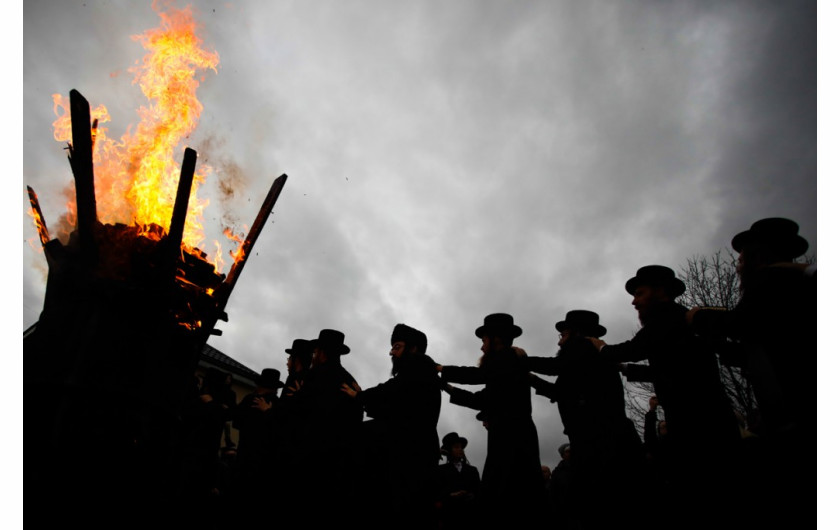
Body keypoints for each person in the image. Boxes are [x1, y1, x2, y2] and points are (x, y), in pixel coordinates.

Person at [590, 266, 741, 527]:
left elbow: (634, 349)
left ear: (660, 292)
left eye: (639, 293)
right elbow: (668, 369)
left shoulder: (666, 316)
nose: (634, 301)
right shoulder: (675, 324)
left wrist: (602, 349)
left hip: (698, 422)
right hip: (706, 418)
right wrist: (626, 369)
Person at [686, 218, 814, 525]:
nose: (738, 266)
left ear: (757, 257)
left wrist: (698, 318)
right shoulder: (793, 286)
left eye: (742, 259)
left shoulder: (775, 281)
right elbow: (755, 348)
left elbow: (741, 323)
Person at [525, 310, 641, 529]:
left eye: (563, 335)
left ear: (576, 334)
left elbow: (553, 367)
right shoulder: (581, 361)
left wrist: (522, 360)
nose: (559, 343)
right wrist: (531, 378)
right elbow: (559, 392)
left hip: (600, 442)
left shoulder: (583, 348)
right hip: (602, 440)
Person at [438, 313, 544, 524]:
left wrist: (440, 369)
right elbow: (481, 399)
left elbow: (476, 376)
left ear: (495, 339)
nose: (481, 347)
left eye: (484, 341)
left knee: (506, 498)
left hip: (512, 441)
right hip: (510, 439)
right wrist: (447, 388)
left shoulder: (506, 359)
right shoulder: (504, 370)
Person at [341, 323, 441, 526]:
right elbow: (396, 409)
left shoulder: (418, 366)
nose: (391, 352)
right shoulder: (416, 374)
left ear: (412, 349)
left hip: (410, 459)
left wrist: (359, 395)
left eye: (397, 347)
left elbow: (388, 391)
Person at [294, 329, 363, 517]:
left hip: (310, 460)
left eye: (315, 352)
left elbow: (298, 413)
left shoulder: (314, 375)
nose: (314, 356)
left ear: (322, 353)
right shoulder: (350, 381)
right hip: (339, 465)